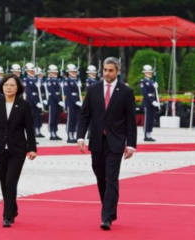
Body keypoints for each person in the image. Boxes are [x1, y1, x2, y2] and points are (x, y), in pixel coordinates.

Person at [77, 57, 137, 231]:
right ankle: (110, 209)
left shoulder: (125, 92)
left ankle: (106, 217)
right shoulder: (93, 89)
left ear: (117, 71)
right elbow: (84, 115)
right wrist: (80, 137)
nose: (107, 73)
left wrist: (131, 144)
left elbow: (130, 121)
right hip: (96, 140)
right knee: (100, 176)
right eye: (105, 70)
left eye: (111, 70)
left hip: (116, 142)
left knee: (111, 178)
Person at [0, 74, 37, 228]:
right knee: (3, 181)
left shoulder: (23, 105)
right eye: (6, 85)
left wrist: (32, 148)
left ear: (18, 88)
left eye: (12, 85)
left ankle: (7, 216)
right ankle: (13, 207)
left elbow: (29, 128)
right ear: (1, 87)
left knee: (11, 181)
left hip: (17, 150)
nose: (8, 88)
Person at [23, 63, 43, 137]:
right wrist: (35, 102)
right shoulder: (26, 80)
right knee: (30, 120)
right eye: (30, 71)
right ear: (27, 71)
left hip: (36, 101)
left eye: (33, 71)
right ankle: (30, 135)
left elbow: (39, 92)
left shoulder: (36, 80)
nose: (32, 72)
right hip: (31, 103)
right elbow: (29, 93)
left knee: (35, 119)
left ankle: (33, 135)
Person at [140, 65, 160, 142]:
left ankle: (149, 134)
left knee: (151, 119)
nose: (149, 73)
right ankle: (145, 135)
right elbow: (145, 94)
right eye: (148, 72)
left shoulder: (152, 82)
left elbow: (155, 93)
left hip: (153, 102)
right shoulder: (143, 82)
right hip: (147, 103)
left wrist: (156, 87)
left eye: (150, 72)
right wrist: (152, 101)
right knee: (147, 119)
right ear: (145, 73)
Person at [64, 64, 82, 143]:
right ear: (69, 72)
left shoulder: (76, 81)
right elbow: (68, 93)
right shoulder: (67, 81)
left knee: (75, 120)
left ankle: (73, 135)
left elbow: (79, 93)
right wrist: (75, 101)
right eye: (72, 71)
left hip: (77, 103)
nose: (74, 72)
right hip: (71, 103)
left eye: (75, 71)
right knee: (70, 119)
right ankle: (69, 135)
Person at [47, 65, 64, 140]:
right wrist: (58, 101)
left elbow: (60, 92)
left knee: (57, 118)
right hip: (53, 101)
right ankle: (51, 133)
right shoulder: (49, 81)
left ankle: (55, 132)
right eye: (53, 72)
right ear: (50, 72)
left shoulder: (58, 80)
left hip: (58, 101)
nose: (55, 73)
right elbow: (53, 92)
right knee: (52, 118)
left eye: (56, 71)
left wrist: (61, 100)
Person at [36, 67, 48, 138]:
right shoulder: (35, 81)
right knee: (35, 117)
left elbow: (43, 92)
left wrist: (44, 99)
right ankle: (35, 131)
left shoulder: (43, 82)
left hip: (41, 101)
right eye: (39, 75)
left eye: (41, 74)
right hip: (36, 102)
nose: (40, 76)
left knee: (40, 117)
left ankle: (39, 130)